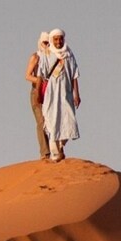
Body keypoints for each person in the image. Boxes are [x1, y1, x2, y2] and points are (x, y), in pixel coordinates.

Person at [40, 28, 81, 162]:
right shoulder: (47, 54)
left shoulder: (69, 54)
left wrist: (76, 94)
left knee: (68, 120)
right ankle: (55, 152)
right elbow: (42, 74)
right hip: (51, 93)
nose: (58, 41)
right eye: (56, 39)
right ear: (52, 40)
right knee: (52, 121)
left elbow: (75, 75)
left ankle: (60, 145)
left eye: (60, 39)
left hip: (66, 93)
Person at [25, 31, 51, 159]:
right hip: (37, 91)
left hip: (50, 93)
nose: (47, 45)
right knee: (41, 122)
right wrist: (40, 81)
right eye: (45, 42)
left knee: (51, 122)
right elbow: (27, 75)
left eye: (49, 43)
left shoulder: (52, 58)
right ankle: (45, 153)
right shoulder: (36, 57)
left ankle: (54, 150)